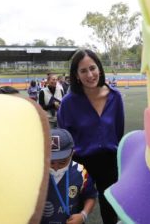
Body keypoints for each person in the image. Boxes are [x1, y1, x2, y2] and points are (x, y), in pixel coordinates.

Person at [57, 49, 125, 224]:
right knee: (76, 210)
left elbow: (118, 131)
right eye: (83, 71)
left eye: (92, 68)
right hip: (80, 162)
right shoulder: (68, 103)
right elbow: (64, 138)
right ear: (76, 75)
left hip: (109, 161)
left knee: (110, 208)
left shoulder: (115, 97)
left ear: (100, 69)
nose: (90, 74)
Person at [41, 128, 97, 224]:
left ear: (72, 154)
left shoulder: (81, 172)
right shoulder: (37, 173)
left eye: (62, 162)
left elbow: (91, 196)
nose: (56, 167)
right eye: (51, 162)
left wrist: (83, 215)